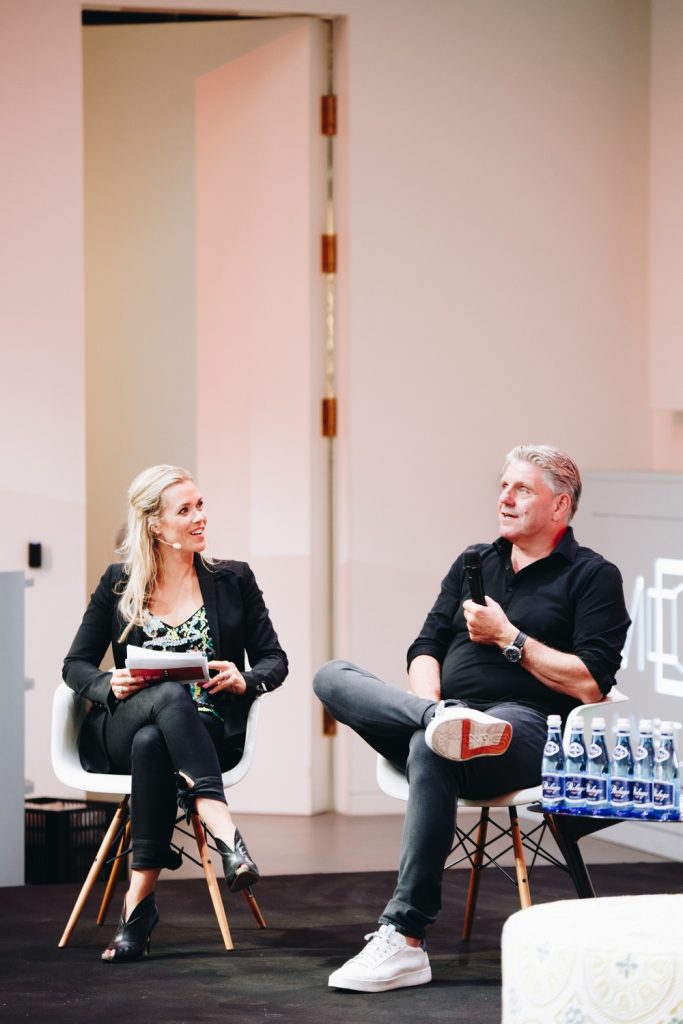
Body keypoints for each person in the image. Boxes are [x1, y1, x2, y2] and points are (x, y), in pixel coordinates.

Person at [314, 444, 630, 993]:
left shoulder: (593, 576)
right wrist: (434, 708)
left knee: (430, 748)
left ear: (560, 505)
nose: (505, 498)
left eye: (522, 489)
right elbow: (425, 648)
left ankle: (405, 938)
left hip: (526, 727)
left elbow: (590, 682)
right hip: (446, 714)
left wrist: (509, 638)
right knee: (332, 675)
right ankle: (439, 718)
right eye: (503, 486)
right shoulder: (475, 561)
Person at [63, 464, 288, 963]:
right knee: (166, 699)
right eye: (185, 510)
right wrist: (107, 682)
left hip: (201, 731)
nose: (200, 517)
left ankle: (136, 911)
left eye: (200, 505)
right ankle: (225, 830)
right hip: (122, 725)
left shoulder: (233, 579)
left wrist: (244, 679)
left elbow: (275, 660)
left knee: (156, 742)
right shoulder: (118, 582)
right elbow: (75, 664)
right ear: (155, 525)